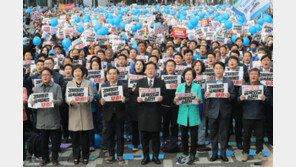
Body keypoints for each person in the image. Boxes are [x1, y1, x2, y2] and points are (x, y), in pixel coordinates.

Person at [135, 62, 166, 165]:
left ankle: (156, 156)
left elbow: (166, 96)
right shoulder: (140, 82)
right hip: (143, 114)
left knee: (155, 138)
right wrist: (137, 99)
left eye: (152, 68)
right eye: (148, 68)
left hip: (155, 113)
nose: (150, 70)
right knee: (144, 138)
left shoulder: (161, 82)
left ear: (156, 71)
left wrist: (162, 98)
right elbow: (134, 96)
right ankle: (146, 156)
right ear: (145, 71)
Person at [30, 68, 63, 166]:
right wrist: (32, 103)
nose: (45, 76)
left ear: (51, 76)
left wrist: (55, 102)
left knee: (55, 142)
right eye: (43, 75)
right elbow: (34, 104)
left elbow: (61, 101)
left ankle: (55, 159)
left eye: (47, 74)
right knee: (43, 142)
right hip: (42, 119)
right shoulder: (37, 88)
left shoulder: (57, 87)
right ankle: (45, 159)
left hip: (53, 118)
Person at [205, 62, 235, 162]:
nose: (218, 70)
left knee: (224, 134)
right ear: (213, 70)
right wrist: (206, 95)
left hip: (225, 111)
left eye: (220, 68)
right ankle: (214, 154)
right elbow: (205, 97)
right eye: (216, 68)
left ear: (224, 70)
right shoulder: (209, 82)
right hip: (213, 112)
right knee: (213, 135)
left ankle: (223, 154)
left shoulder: (229, 82)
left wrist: (229, 96)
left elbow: (234, 96)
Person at [238, 68, 270, 162]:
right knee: (246, 136)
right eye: (252, 74)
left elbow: (270, 101)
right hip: (247, 115)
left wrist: (265, 99)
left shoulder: (263, 87)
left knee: (259, 136)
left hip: (260, 116)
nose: (253, 76)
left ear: (259, 76)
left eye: (256, 74)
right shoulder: (243, 87)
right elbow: (237, 101)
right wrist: (240, 99)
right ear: (249, 75)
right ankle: (245, 153)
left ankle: (258, 153)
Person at [100, 67, 129, 164]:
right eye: (110, 74)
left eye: (114, 74)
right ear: (107, 75)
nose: (112, 76)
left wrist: (125, 100)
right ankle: (111, 154)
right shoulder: (103, 86)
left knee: (120, 136)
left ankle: (120, 155)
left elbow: (129, 98)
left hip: (119, 114)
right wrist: (102, 102)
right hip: (108, 115)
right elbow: (100, 101)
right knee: (109, 136)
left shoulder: (123, 86)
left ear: (117, 75)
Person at [66, 65, 94, 165]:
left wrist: (88, 99)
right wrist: (70, 102)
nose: (77, 73)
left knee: (85, 138)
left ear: (83, 73)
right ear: (73, 73)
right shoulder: (69, 84)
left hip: (85, 112)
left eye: (79, 71)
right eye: (75, 71)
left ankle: (85, 156)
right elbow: (67, 97)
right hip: (74, 113)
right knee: (75, 138)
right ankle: (76, 156)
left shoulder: (88, 83)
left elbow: (91, 96)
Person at [174, 68, 202, 165]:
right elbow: (176, 100)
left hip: (193, 113)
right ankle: (185, 151)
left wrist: (198, 99)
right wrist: (175, 100)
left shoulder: (197, 86)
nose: (188, 76)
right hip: (183, 114)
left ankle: (193, 153)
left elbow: (200, 99)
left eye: (190, 74)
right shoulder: (180, 86)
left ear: (193, 76)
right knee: (184, 135)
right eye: (186, 74)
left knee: (194, 136)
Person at [192, 60, 211, 152]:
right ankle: (193, 143)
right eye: (196, 65)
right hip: (192, 105)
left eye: (199, 65)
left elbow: (209, 91)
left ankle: (201, 143)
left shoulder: (206, 78)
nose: (197, 67)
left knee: (202, 125)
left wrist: (207, 94)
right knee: (193, 125)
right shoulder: (189, 77)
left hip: (203, 104)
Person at [128, 60, 146, 151]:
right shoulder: (130, 77)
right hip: (133, 105)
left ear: (143, 66)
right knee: (134, 125)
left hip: (143, 105)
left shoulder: (146, 77)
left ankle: (144, 143)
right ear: (134, 66)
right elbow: (125, 91)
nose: (138, 66)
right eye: (137, 64)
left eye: (140, 64)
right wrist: (131, 90)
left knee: (143, 125)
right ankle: (135, 144)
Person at [161, 60, 179, 141]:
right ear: (165, 67)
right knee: (165, 124)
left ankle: (174, 140)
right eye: (168, 66)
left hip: (176, 105)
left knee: (175, 124)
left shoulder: (179, 78)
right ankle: (165, 139)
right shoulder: (161, 78)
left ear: (175, 67)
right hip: (165, 105)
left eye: (172, 66)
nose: (170, 67)